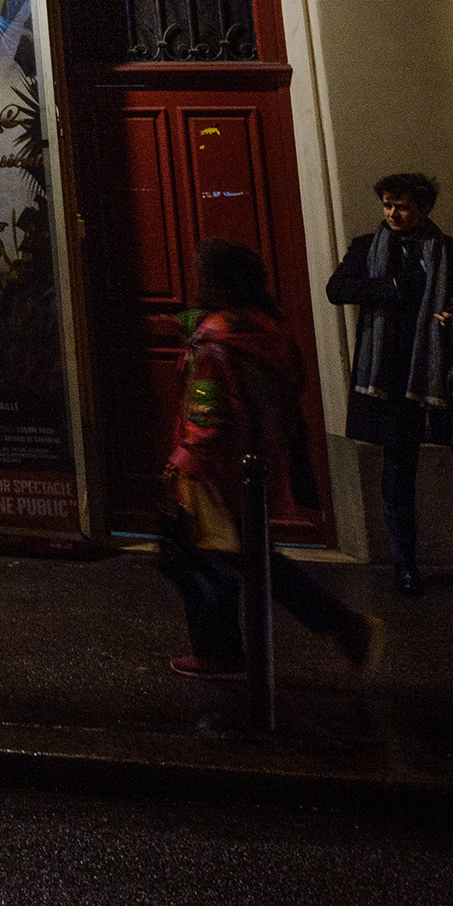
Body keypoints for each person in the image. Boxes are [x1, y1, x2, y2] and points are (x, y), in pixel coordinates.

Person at [161, 236, 380, 683]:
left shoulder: (215, 335)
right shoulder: (263, 326)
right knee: (235, 554)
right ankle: (333, 628)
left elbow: (208, 409)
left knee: (202, 554)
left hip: (211, 469)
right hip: (253, 462)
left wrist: (186, 457)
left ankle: (329, 628)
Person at [325, 168, 453, 598]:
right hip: (391, 379)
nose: (393, 213)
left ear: (423, 209)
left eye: (402, 206)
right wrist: (393, 285)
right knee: (398, 474)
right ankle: (405, 565)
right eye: (387, 205)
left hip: (444, 378)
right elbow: (338, 289)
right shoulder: (367, 248)